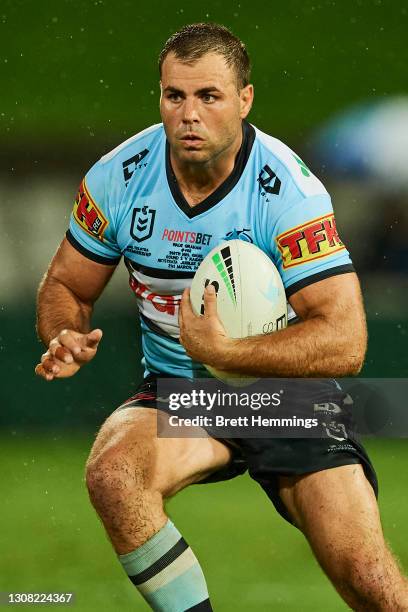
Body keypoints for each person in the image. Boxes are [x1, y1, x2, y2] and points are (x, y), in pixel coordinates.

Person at [35, 22, 408, 611]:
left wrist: (225, 353)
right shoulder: (119, 177)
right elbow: (64, 284)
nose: (188, 115)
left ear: (244, 100)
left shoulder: (287, 192)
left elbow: (346, 340)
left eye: (208, 96)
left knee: (369, 579)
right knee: (112, 476)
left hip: (286, 397)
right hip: (182, 396)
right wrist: (64, 329)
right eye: (174, 96)